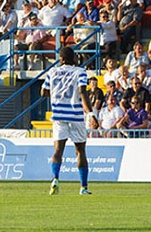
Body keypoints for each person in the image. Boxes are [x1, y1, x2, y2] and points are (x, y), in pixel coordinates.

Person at [42, 46, 95, 196]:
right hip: (76, 116)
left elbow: (42, 92)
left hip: (59, 115)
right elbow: (82, 91)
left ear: (62, 59)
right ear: (73, 58)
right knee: (80, 151)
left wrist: (56, 94)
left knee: (58, 151)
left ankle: (55, 179)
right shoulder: (80, 72)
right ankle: (83, 187)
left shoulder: (52, 72)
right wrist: (91, 113)